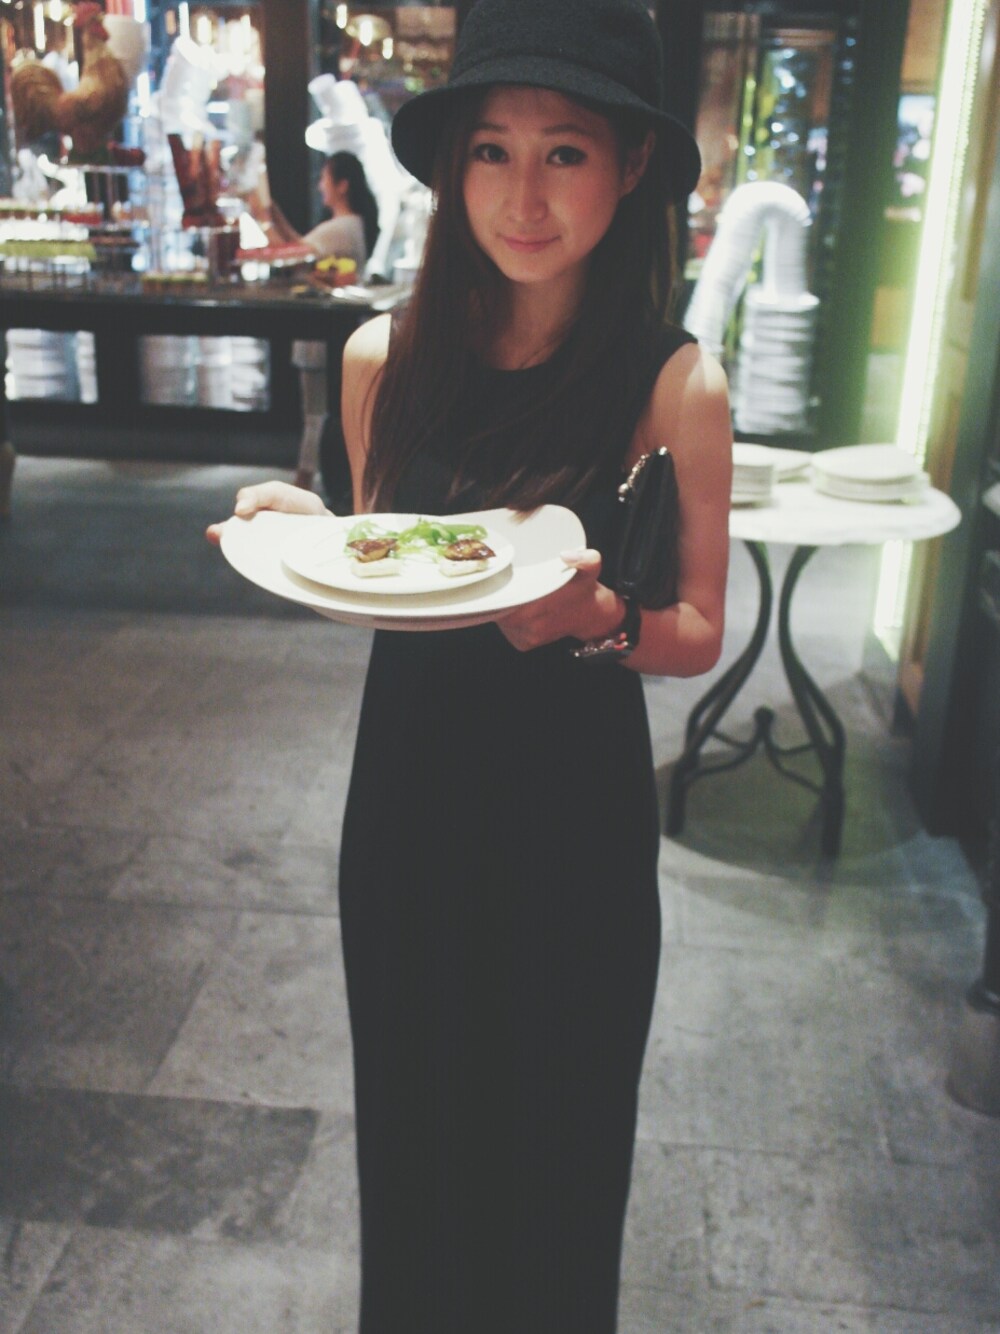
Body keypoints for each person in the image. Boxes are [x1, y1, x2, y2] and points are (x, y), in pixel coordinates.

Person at [208, 0, 732, 1328]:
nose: (523, 194)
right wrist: (306, 530)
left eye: (565, 152)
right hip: (411, 805)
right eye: (491, 149)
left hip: (575, 823)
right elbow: (391, 562)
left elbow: (698, 626)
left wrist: (597, 621)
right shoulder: (382, 355)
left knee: (561, 1169)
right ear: (451, 166)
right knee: (417, 1155)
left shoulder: (676, 385)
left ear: (631, 164)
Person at [268, 151, 380, 491]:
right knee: (322, 413)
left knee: (315, 413)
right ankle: (318, 483)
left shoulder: (341, 228)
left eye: (325, 178)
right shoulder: (350, 226)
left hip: (322, 333)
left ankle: (304, 483)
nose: (320, 186)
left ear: (342, 185)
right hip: (334, 332)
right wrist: (272, 213)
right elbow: (298, 248)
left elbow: (288, 254)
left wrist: (265, 214)